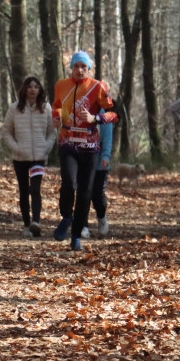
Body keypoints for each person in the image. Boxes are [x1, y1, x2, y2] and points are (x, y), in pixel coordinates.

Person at [51, 50, 118, 250]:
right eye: (76, 66)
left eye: (83, 67)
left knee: (85, 192)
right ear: (71, 68)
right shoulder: (61, 85)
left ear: (89, 69)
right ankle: (66, 217)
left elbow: (114, 114)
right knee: (69, 184)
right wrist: (56, 116)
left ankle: (76, 234)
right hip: (67, 142)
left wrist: (95, 119)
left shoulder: (98, 87)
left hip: (89, 146)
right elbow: (56, 105)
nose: (79, 70)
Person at [1, 76, 56, 238]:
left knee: (35, 189)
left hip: (38, 157)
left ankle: (36, 222)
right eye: (30, 86)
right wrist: (16, 148)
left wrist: (46, 147)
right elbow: (6, 132)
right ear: (24, 89)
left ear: (40, 90)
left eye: (36, 87)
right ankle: (26, 225)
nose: (33, 89)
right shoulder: (14, 109)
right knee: (24, 190)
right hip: (20, 158)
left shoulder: (46, 108)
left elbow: (52, 131)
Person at [82, 119, 113, 238]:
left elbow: (107, 138)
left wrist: (106, 156)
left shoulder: (104, 115)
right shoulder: (79, 110)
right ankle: (83, 225)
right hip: (83, 161)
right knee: (84, 194)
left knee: (97, 195)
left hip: (100, 164)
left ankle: (101, 217)